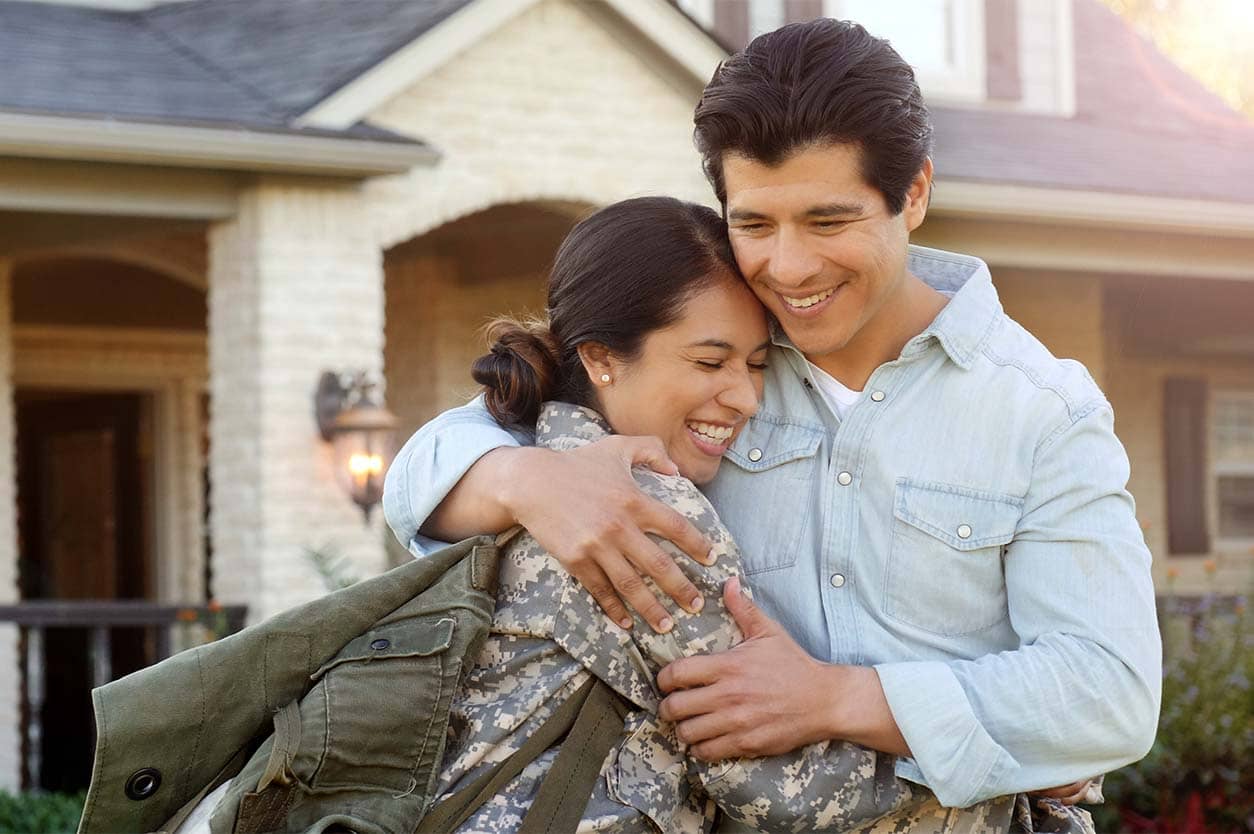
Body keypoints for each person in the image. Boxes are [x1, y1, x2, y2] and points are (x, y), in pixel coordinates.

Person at [383, 18, 1160, 813]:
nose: (787, 269)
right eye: (753, 224)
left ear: (915, 193)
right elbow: (426, 468)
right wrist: (524, 478)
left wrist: (841, 699)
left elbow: (1109, 694)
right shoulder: (716, 359)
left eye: (828, 221)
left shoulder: (1042, 410)